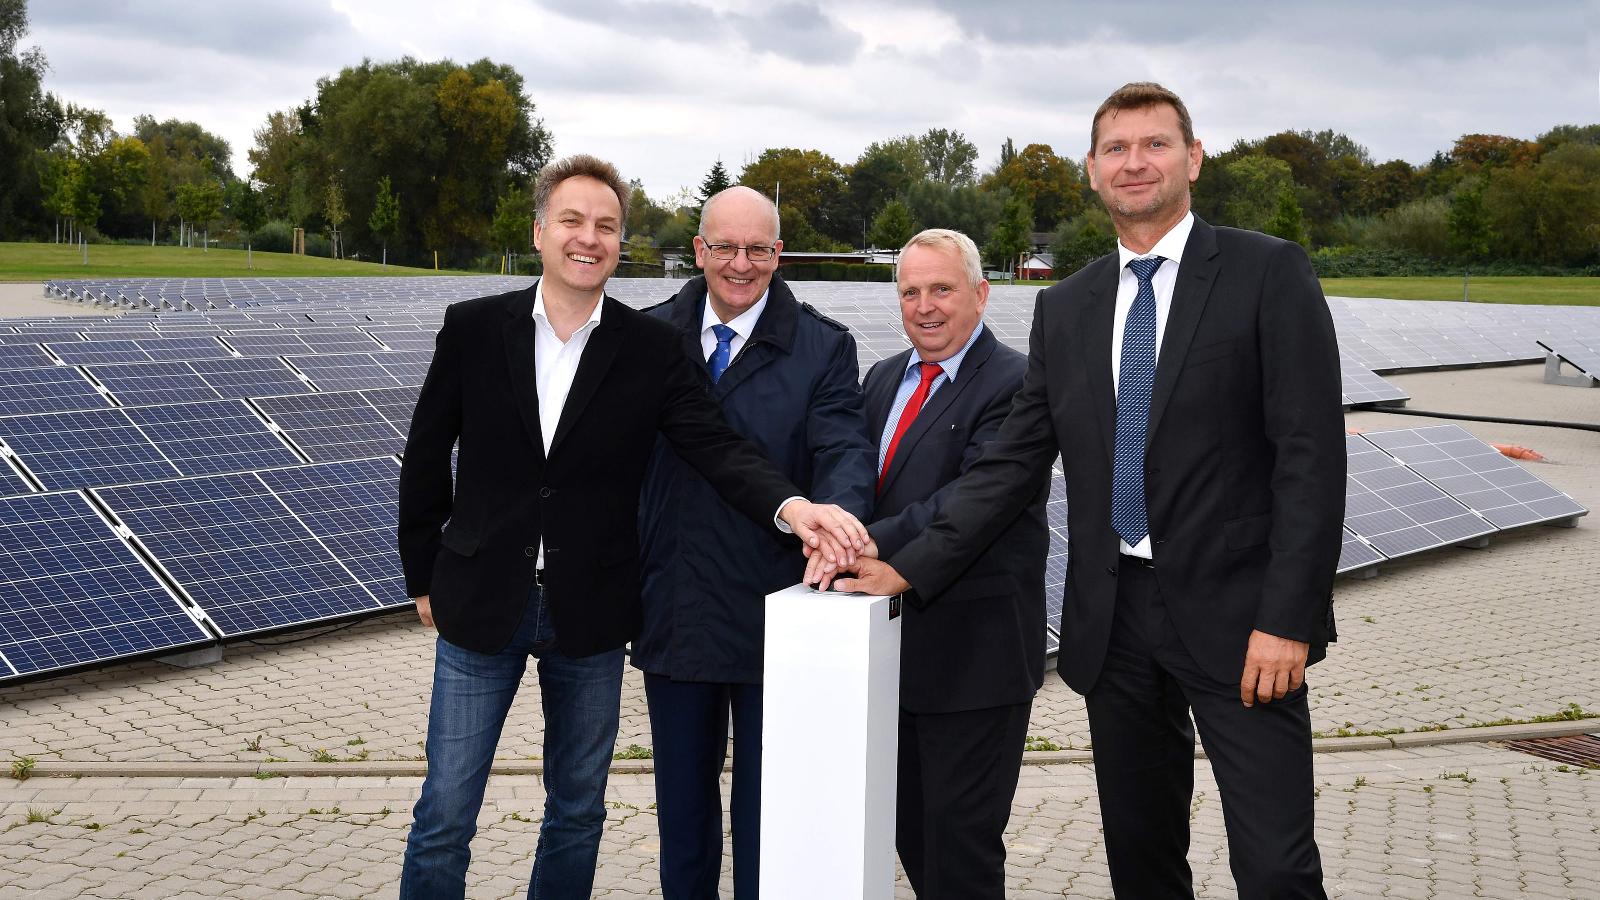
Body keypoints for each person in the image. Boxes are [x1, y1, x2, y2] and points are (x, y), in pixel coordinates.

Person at [823, 83, 1345, 899]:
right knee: (1141, 860)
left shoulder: (1266, 273)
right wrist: (907, 561)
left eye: (1155, 144)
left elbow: (1311, 457)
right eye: (1115, 148)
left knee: (1276, 865)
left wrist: (1288, 619)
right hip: (1116, 621)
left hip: (1242, 621)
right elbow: (1006, 468)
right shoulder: (1068, 307)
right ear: (1093, 172)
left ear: (1193, 159)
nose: (1134, 162)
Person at [395, 154, 868, 900]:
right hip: (480, 602)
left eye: (607, 226)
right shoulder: (475, 328)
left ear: (621, 242)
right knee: (446, 811)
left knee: (578, 810)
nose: (590, 239)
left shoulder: (647, 346)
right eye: (574, 222)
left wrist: (795, 508)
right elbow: (425, 457)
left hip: (591, 613)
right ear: (541, 230)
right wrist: (422, 576)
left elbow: (713, 446)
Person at [633, 185, 875, 898]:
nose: (742, 264)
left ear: (779, 254)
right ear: (699, 251)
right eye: (725, 248)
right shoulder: (646, 337)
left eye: (759, 249)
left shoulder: (823, 345)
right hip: (673, 607)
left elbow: (845, 450)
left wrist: (838, 526)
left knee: (771, 817)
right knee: (682, 815)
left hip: (779, 614)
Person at [858, 228, 1049, 898]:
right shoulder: (882, 379)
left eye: (942, 288)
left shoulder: (1018, 382)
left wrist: (868, 544)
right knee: (913, 834)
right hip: (890, 658)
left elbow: (976, 497)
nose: (925, 305)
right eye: (911, 291)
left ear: (980, 293)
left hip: (976, 660)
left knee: (961, 849)